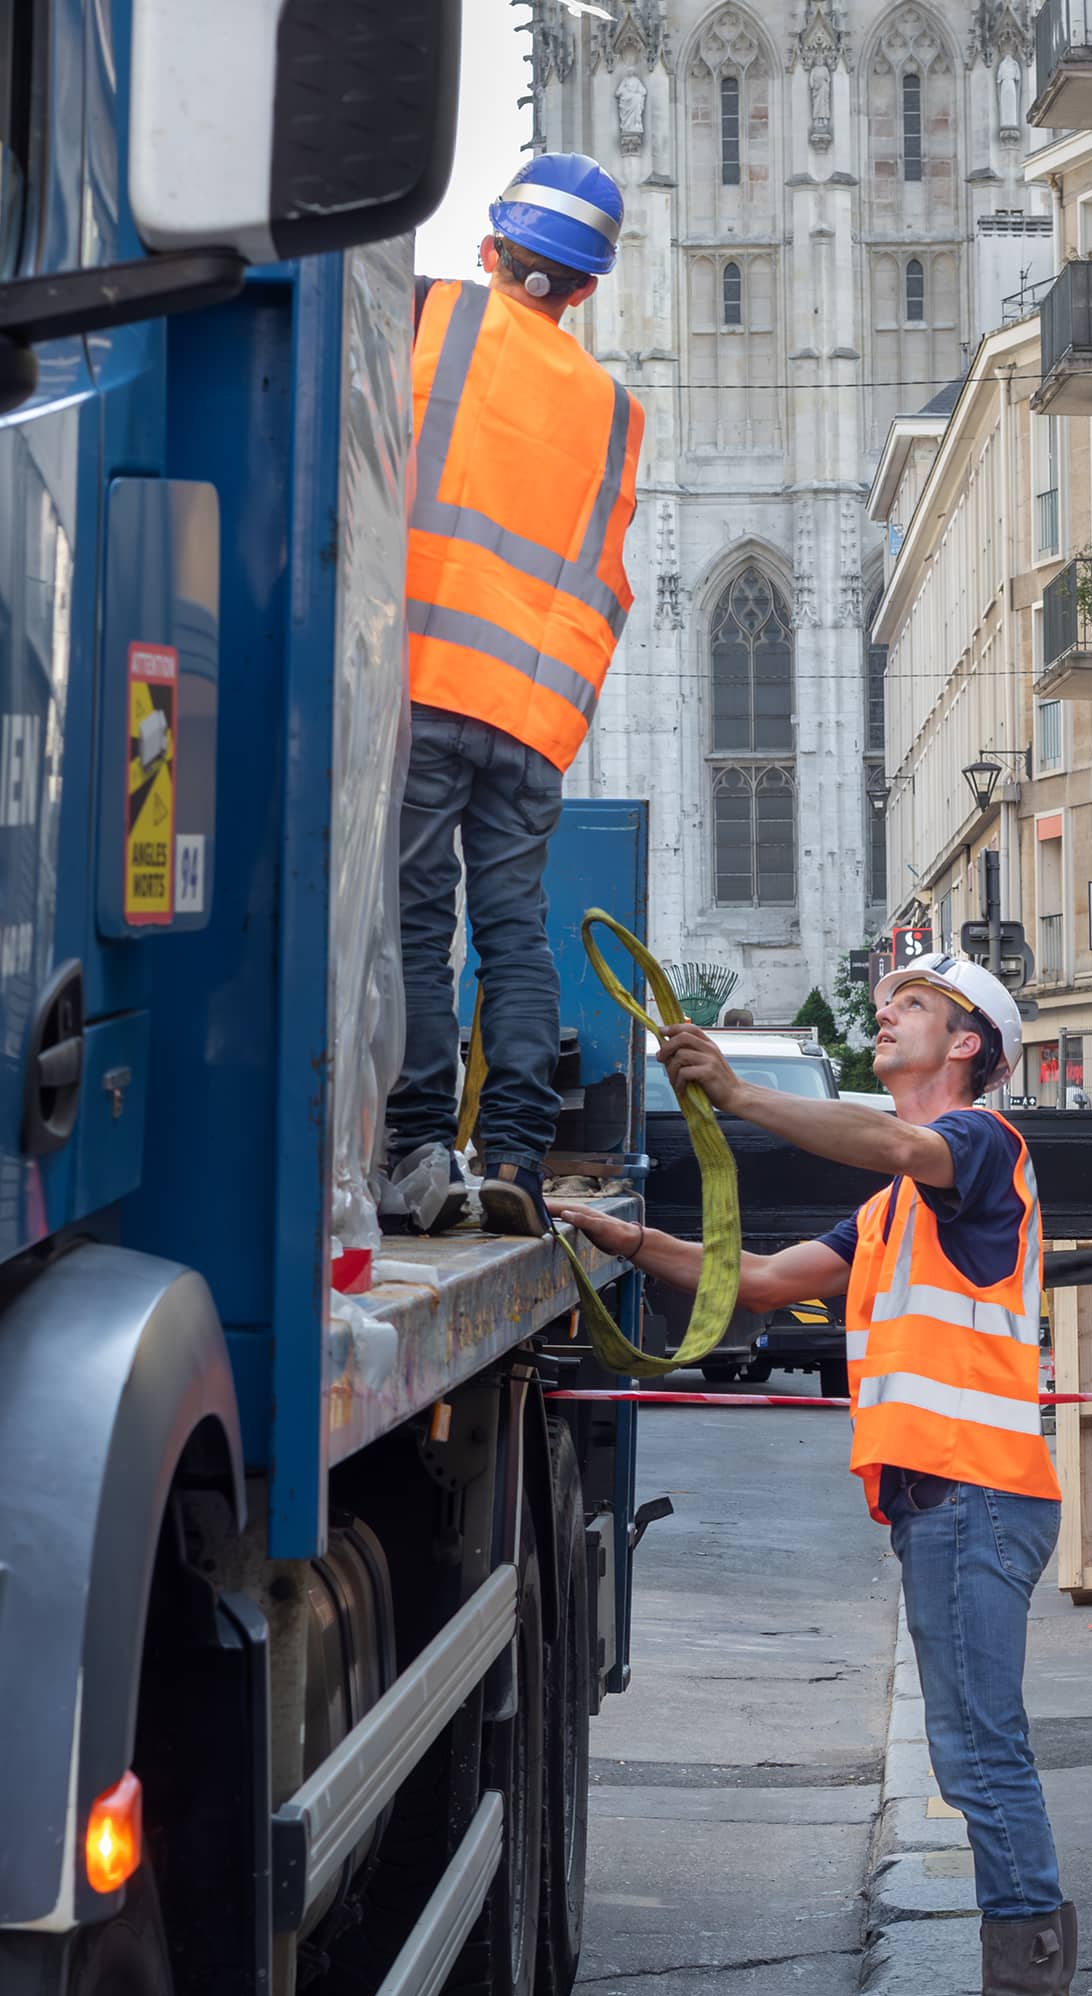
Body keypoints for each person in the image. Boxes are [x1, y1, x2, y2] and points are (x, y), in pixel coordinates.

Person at [558, 952, 1079, 1996]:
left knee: (984, 1755)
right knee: (973, 1751)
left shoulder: (982, 1146)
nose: (887, 1015)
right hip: (947, 1499)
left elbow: (895, 1141)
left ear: (966, 1050)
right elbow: (756, 1282)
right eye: (890, 1003)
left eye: (914, 1008)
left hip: (974, 1492)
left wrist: (739, 1096)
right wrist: (617, 1239)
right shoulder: (895, 1207)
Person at [387, 154, 644, 1237]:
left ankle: (410, 1143)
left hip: (423, 675)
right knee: (512, 930)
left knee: (409, 917)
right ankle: (516, 1161)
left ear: (493, 245)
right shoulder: (615, 412)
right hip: (532, 714)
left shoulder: (431, 321)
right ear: (583, 290)